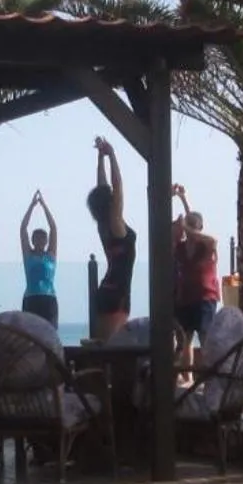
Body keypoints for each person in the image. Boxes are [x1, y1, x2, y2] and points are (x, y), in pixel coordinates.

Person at [88, 137, 136, 339]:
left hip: (109, 290)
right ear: (110, 203)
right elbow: (117, 186)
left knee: (105, 347)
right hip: (117, 293)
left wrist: (101, 157)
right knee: (112, 350)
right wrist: (112, 155)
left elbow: (103, 188)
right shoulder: (116, 224)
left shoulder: (103, 225)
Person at [170, 185, 221, 362]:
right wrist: (179, 198)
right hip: (186, 298)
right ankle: (188, 377)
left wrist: (187, 225)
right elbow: (170, 234)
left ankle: (210, 375)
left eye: (193, 227)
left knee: (205, 336)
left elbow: (208, 237)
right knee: (185, 339)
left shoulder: (206, 245)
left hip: (205, 297)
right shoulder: (181, 248)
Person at [20, 191, 60, 329]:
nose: (39, 241)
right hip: (31, 299)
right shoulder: (28, 256)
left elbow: (53, 228)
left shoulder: (50, 256)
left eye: (42, 238)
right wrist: (32, 206)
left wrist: (44, 205)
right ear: (32, 240)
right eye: (36, 238)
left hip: (48, 299)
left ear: (46, 241)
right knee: (29, 334)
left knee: (50, 333)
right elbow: (23, 228)